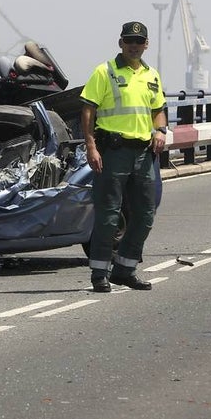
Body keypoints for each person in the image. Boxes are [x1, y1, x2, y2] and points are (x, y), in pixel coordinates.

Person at [80, 20, 168, 293]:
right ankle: (99, 274)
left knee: (145, 215)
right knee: (108, 216)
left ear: (146, 44)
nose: (134, 46)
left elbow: (159, 109)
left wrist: (161, 130)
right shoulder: (103, 72)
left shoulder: (152, 75)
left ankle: (125, 270)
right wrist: (91, 146)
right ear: (120, 43)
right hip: (113, 152)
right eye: (129, 41)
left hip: (143, 154)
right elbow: (87, 111)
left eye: (139, 41)